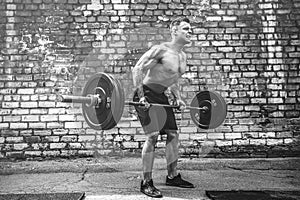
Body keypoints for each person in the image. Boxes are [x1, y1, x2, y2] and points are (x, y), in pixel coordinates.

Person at [132, 17, 194, 198]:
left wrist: (178, 98)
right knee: (153, 136)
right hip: (146, 93)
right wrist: (142, 96)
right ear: (174, 31)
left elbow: (172, 79)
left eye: (191, 29)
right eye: (186, 29)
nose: (190, 32)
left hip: (161, 96)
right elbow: (137, 69)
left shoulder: (182, 57)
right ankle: (146, 182)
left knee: (173, 133)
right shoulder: (160, 50)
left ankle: (173, 175)